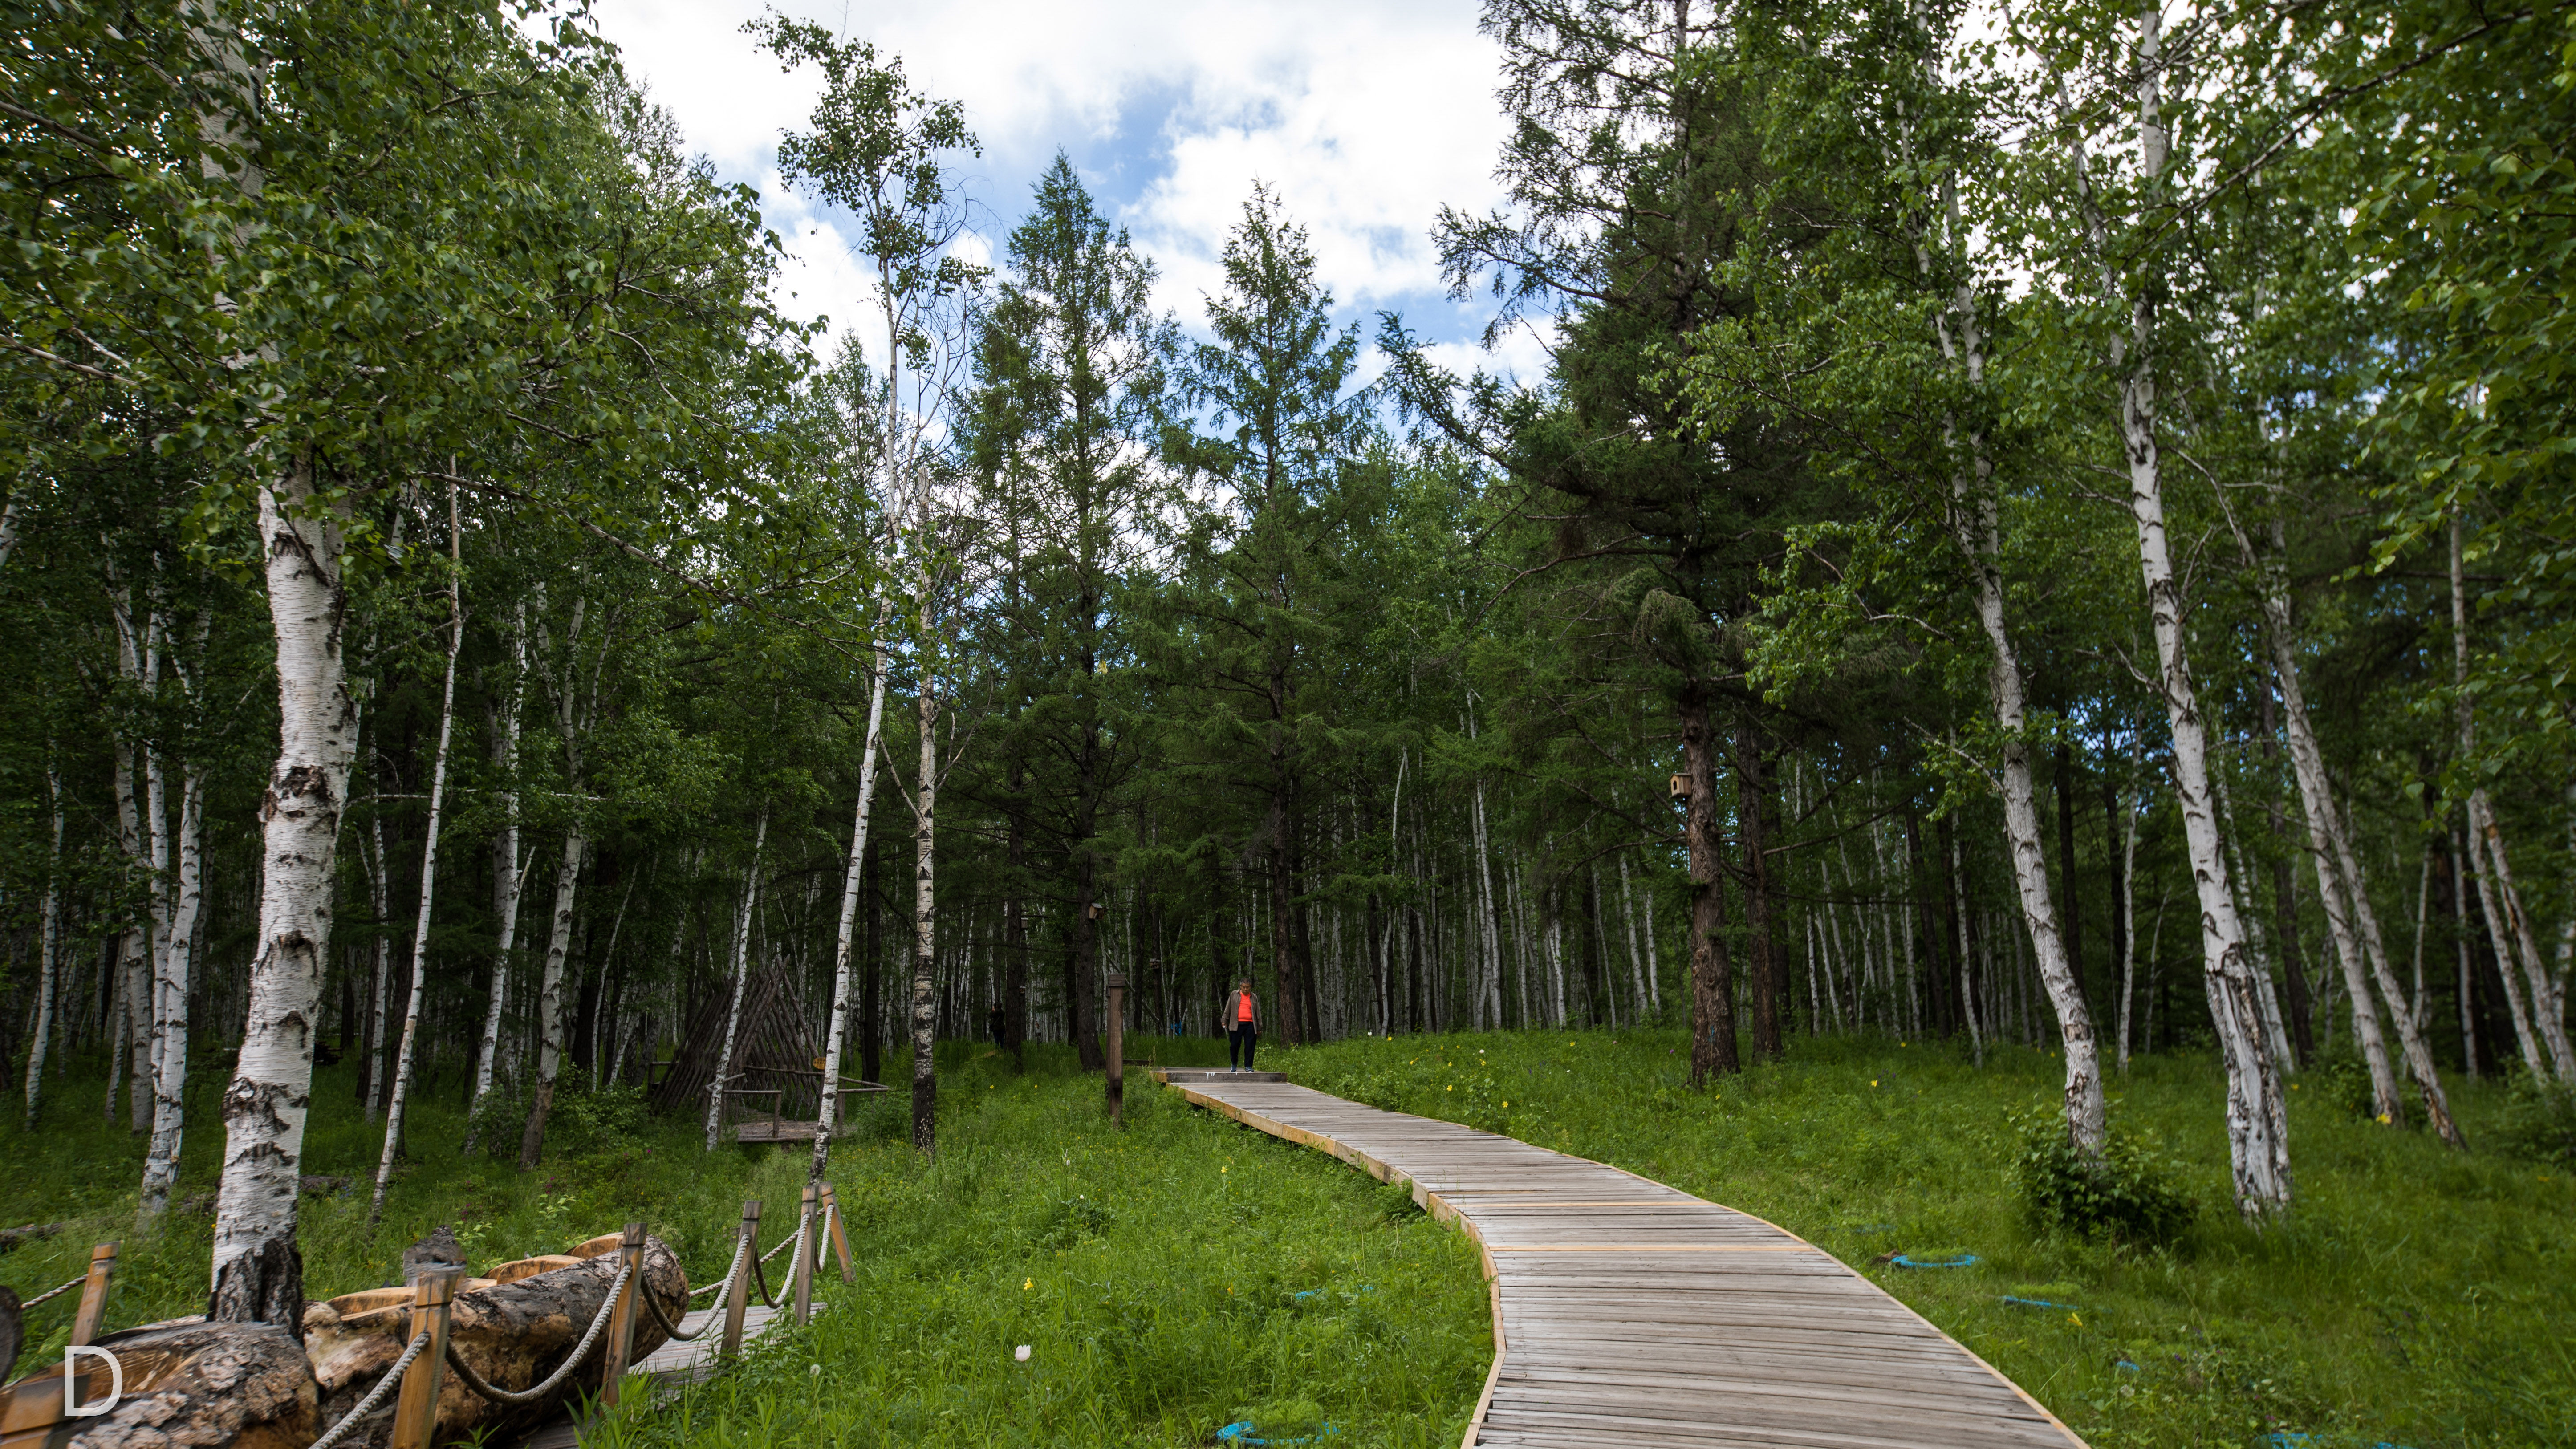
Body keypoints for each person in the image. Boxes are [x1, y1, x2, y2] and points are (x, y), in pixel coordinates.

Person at [1225, 979, 1260, 1072]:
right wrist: (1224, 1020)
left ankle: (1248, 1066)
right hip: (1236, 1024)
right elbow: (1228, 1008)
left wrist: (1259, 1027)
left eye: (1247, 987)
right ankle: (1234, 1064)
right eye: (1244, 987)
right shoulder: (1234, 995)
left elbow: (1258, 1013)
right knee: (1234, 1045)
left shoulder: (1254, 997)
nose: (1245, 989)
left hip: (1250, 1024)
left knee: (1250, 1046)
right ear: (1240, 987)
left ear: (1250, 987)